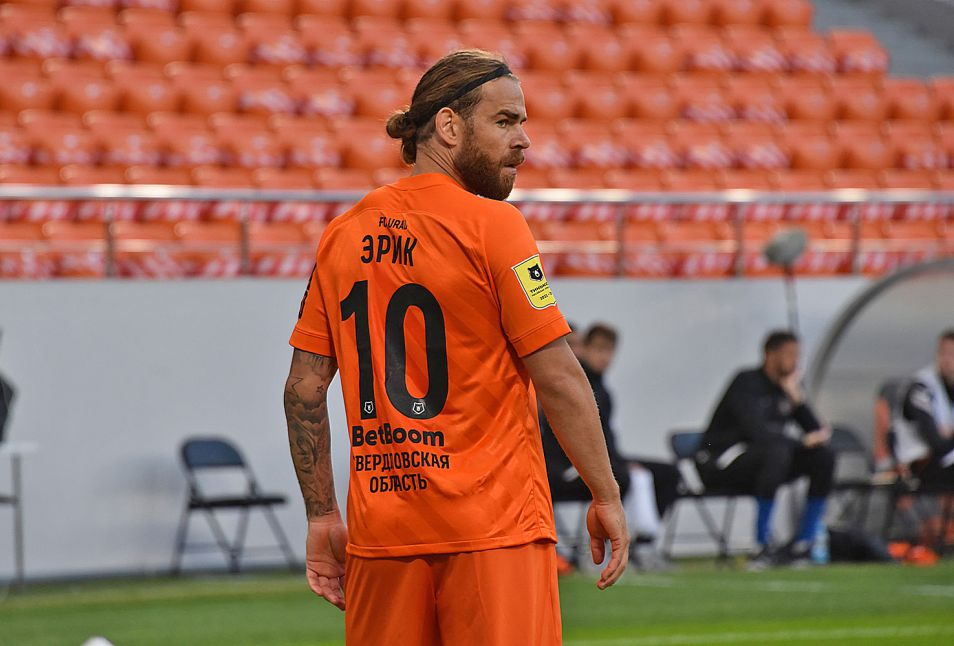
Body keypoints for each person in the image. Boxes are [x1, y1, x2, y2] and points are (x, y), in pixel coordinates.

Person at [283, 50, 628, 646]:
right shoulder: (495, 225)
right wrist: (606, 494)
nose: (523, 140)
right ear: (448, 125)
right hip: (494, 532)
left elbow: (304, 389)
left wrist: (321, 516)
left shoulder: (342, 234)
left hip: (381, 537)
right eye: (505, 121)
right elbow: (559, 376)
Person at [541, 323, 679, 567]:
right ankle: (603, 548)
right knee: (620, 476)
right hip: (563, 464)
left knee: (668, 473)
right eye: (598, 350)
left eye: (609, 351)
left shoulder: (602, 389)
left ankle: (644, 541)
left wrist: (620, 460)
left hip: (600, 456)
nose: (604, 357)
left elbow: (606, 439)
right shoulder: (570, 384)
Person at [696, 330, 835, 569]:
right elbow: (757, 432)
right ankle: (761, 545)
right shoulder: (746, 383)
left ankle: (804, 543)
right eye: (789, 354)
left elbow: (816, 433)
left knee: (823, 457)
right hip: (724, 463)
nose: (795, 361)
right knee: (776, 451)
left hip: (769, 463)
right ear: (770, 355)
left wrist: (798, 401)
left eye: (798, 355)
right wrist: (801, 443)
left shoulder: (787, 388)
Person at [895, 329, 954, 486]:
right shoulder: (921, 387)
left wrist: (950, 432)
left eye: (952, 354)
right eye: (943, 353)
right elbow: (936, 441)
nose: (947, 360)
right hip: (919, 464)